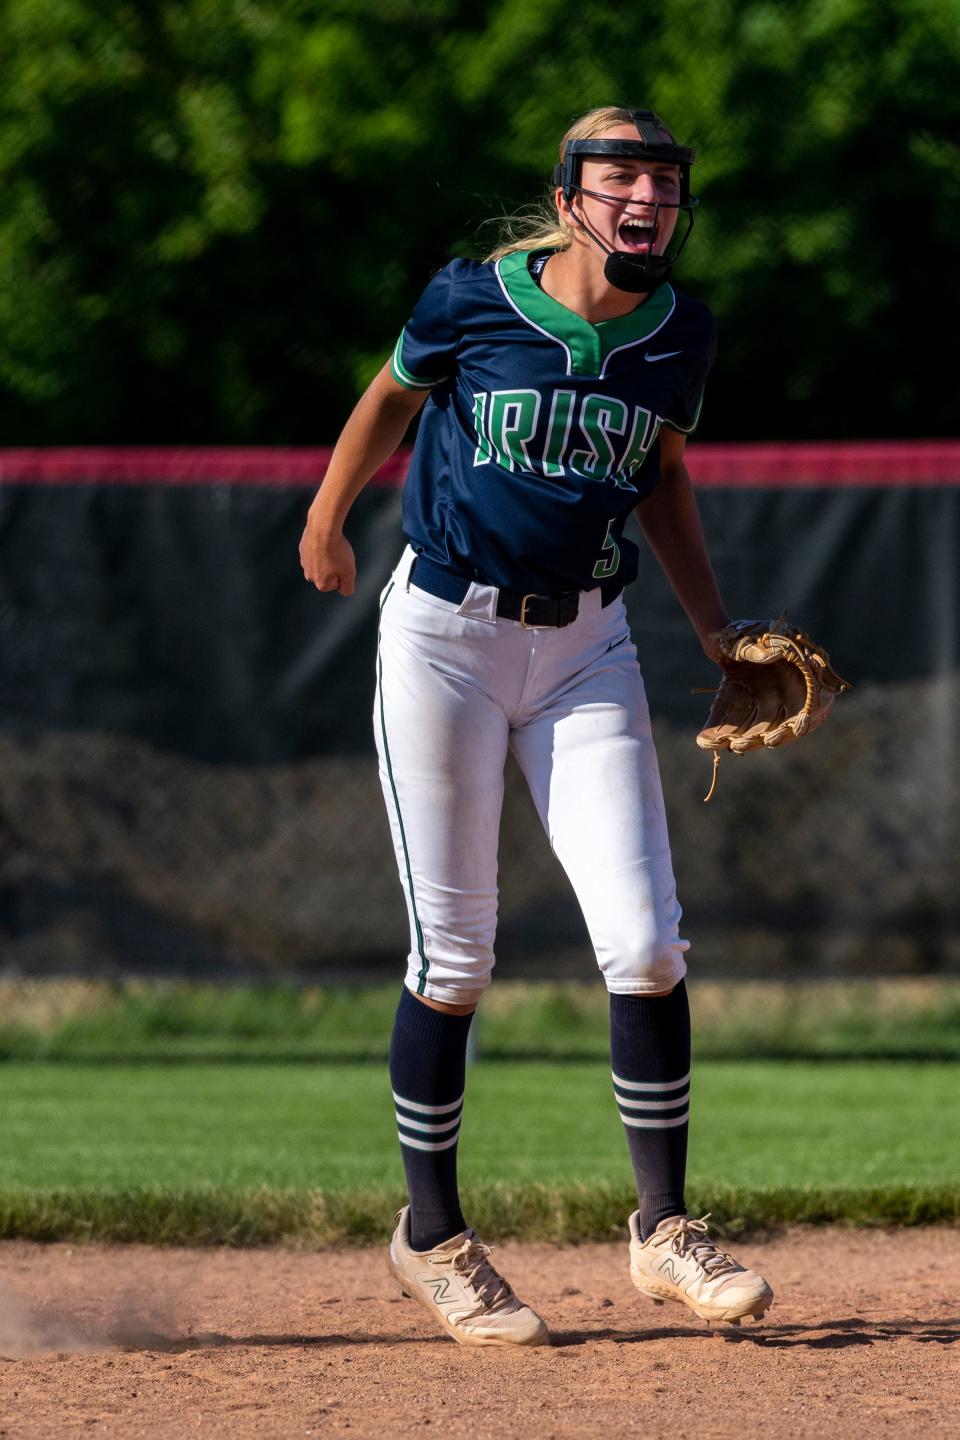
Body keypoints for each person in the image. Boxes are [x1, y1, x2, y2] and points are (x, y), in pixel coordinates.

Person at [299, 105, 773, 1346]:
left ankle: (664, 1231)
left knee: (649, 946)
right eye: (620, 178)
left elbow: (661, 473)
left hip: (587, 648)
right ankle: (434, 1238)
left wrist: (715, 627)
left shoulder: (682, 333)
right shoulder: (474, 299)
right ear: (570, 198)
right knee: (455, 960)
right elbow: (391, 397)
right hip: (443, 641)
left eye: (664, 184)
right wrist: (327, 513)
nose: (647, 199)